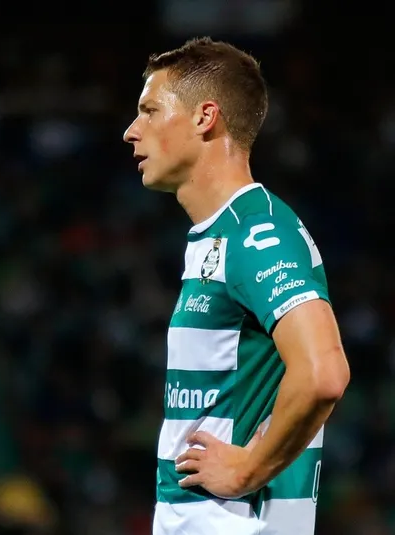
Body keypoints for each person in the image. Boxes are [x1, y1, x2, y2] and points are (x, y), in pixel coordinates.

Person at [122, 37, 350, 535]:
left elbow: (323, 373)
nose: (130, 131)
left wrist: (248, 470)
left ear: (205, 117)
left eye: (150, 111)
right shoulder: (222, 234)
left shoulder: (257, 234)